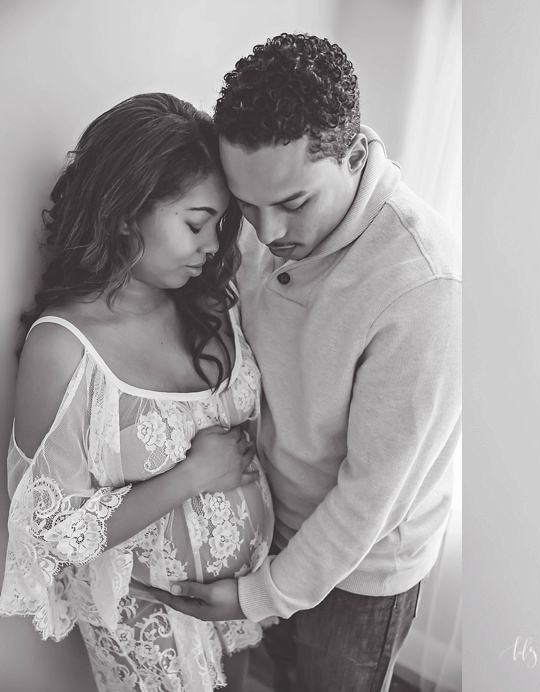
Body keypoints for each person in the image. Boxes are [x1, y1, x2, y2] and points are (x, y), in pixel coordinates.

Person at [145, 33, 462, 692]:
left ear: (353, 155)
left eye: (292, 205)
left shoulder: (423, 287)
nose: (269, 233)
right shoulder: (270, 214)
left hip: (360, 576)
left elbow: (367, 500)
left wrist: (258, 596)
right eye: (248, 206)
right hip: (266, 526)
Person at [0, 92, 269, 691]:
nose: (213, 244)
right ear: (125, 213)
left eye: (221, 224)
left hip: (245, 602)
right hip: (148, 630)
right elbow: (50, 529)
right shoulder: (64, 347)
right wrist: (191, 476)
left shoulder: (214, 303)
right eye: (196, 223)